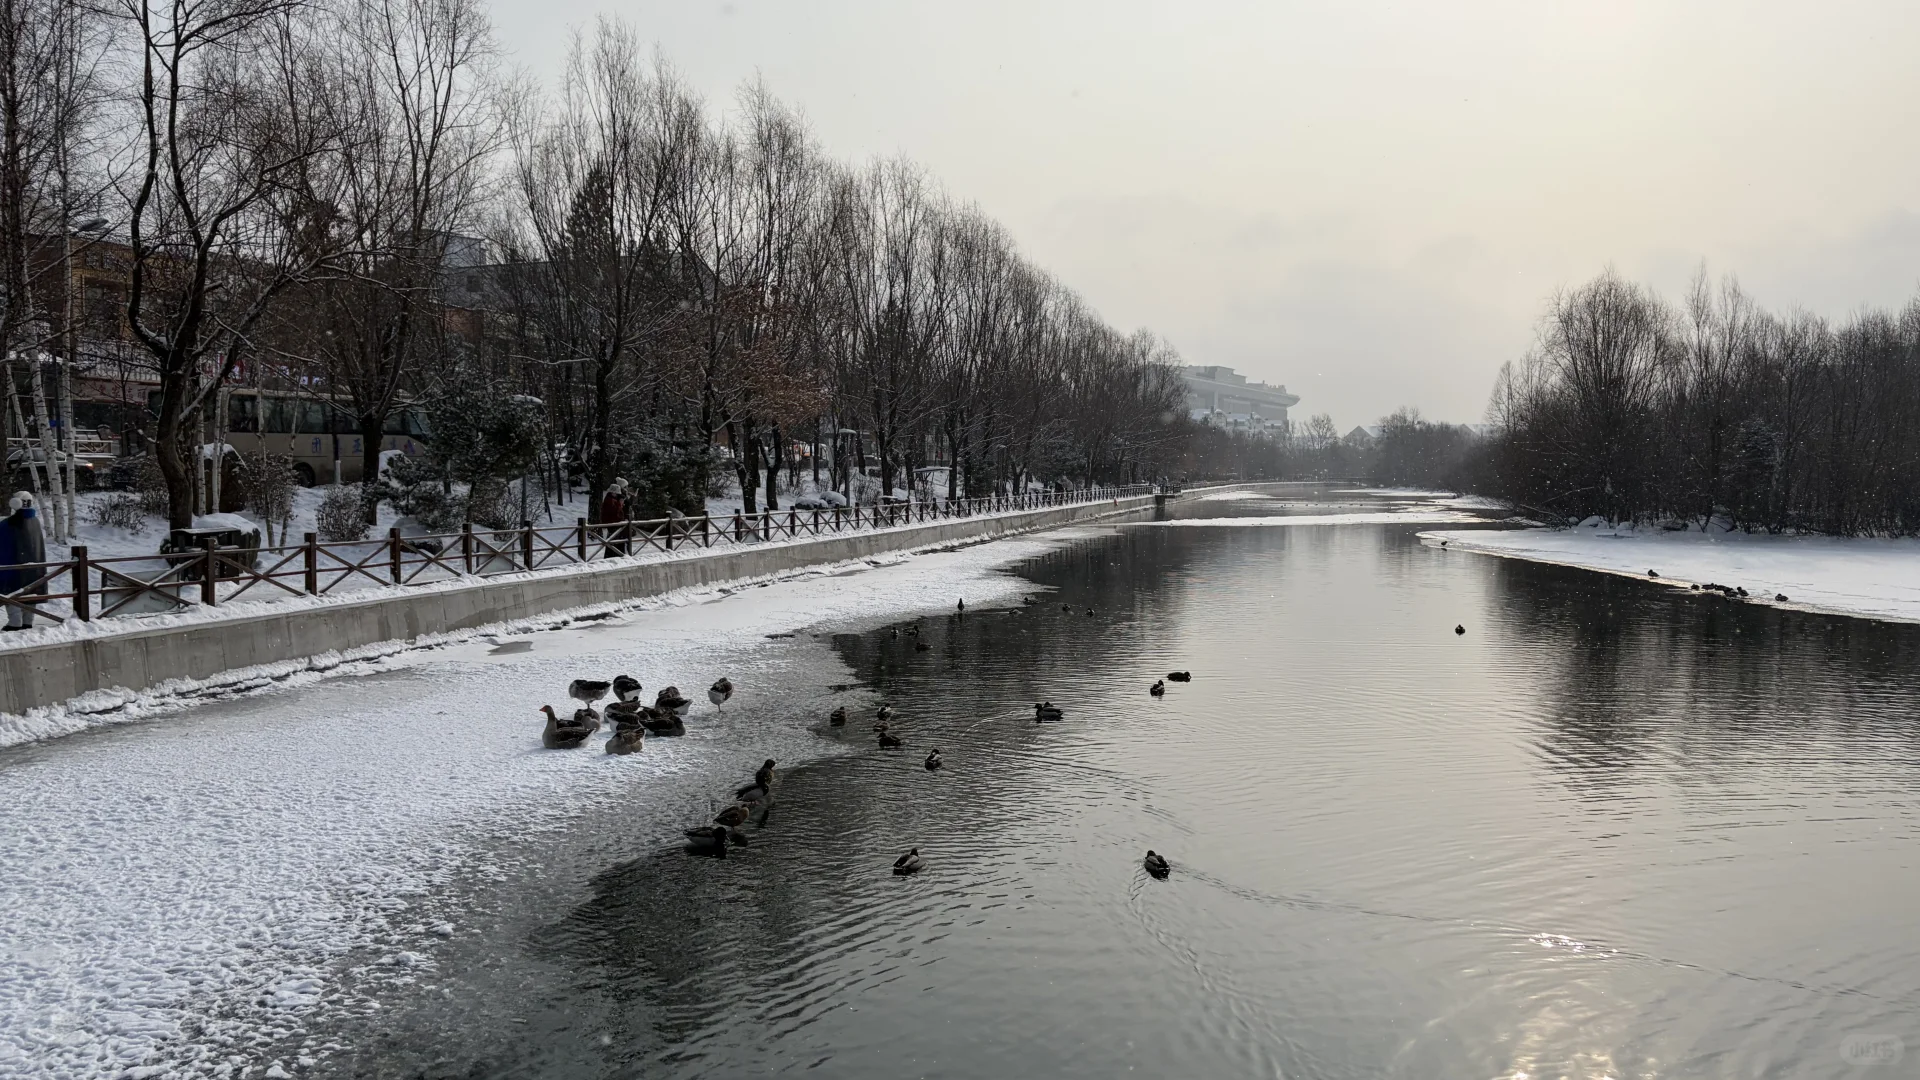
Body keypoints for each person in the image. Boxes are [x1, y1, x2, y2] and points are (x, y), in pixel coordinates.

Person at [1, 491, 46, 631]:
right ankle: (27, 622)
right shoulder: (35, 522)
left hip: (12, 566)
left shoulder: (8, 524)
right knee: (29, 592)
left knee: (12, 593)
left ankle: (15, 623)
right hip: (33, 567)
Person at [600, 477, 630, 556]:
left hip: (615, 523)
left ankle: (615, 554)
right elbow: (616, 511)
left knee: (615, 541)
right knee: (614, 541)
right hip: (613, 523)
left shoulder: (611, 499)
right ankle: (614, 554)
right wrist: (620, 504)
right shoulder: (611, 500)